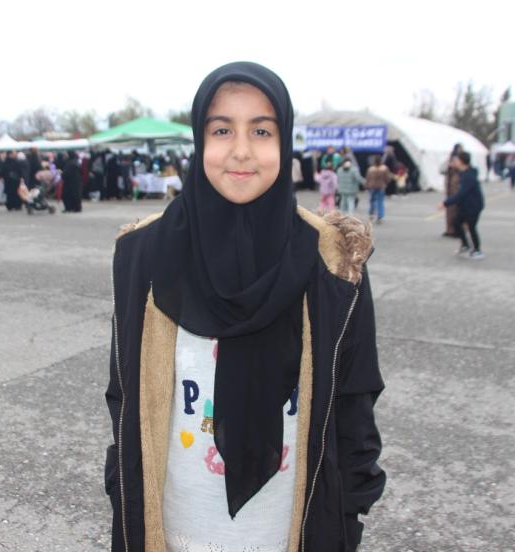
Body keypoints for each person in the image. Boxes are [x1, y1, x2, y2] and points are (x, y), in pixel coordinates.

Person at [105, 61, 385, 552]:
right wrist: (121, 487)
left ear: (285, 140)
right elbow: (124, 397)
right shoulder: (143, 254)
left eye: (261, 130)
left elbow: (354, 409)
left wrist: (345, 518)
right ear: (199, 140)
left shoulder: (333, 262)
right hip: (172, 531)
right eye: (221, 130)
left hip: (289, 533)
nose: (241, 150)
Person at [439, 151, 485, 260]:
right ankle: (465, 245)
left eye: (456, 160)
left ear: (461, 161)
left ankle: (477, 250)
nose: (454, 162)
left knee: (471, 227)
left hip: (474, 206)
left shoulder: (469, 176)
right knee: (457, 223)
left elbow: (461, 194)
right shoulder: (463, 172)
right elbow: (443, 170)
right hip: (465, 205)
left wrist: (445, 203)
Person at [442, 144, 463, 237]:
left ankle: (457, 230)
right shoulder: (450, 160)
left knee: (457, 210)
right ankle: (450, 229)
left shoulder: (462, 161)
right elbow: (442, 169)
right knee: (450, 210)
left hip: (456, 188)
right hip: (451, 187)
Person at [365, 155, 391, 224]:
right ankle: (380, 216)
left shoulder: (371, 169)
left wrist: (367, 186)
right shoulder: (384, 168)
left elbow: (368, 178)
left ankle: (371, 213)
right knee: (380, 201)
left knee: (372, 200)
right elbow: (388, 178)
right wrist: (386, 183)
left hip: (372, 186)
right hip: (381, 186)